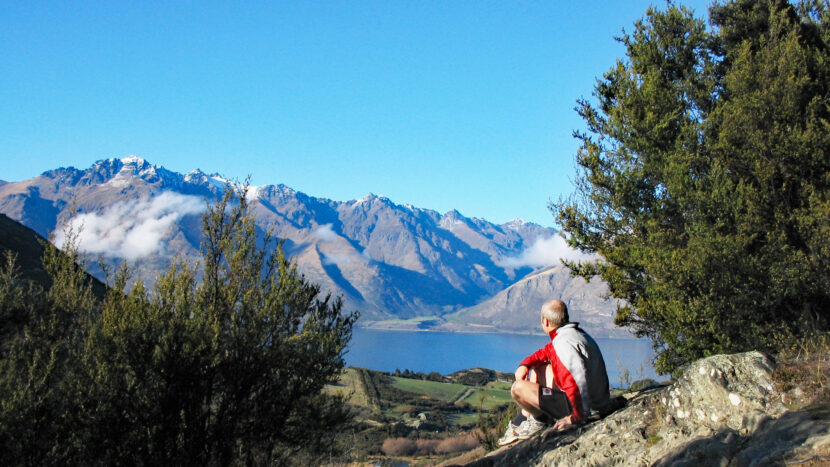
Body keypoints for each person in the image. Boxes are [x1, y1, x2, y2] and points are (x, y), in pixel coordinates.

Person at [498, 299, 611, 446]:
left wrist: (577, 417)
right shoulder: (572, 334)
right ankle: (527, 418)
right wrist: (525, 365)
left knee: (518, 388)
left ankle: (539, 421)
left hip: (586, 408)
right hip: (597, 399)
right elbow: (544, 353)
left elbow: (577, 381)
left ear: (545, 321)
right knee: (539, 368)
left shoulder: (563, 344)